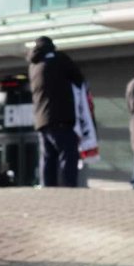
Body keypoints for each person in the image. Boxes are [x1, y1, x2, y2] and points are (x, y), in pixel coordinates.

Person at [28, 35, 88, 188]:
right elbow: (78, 78)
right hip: (60, 117)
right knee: (68, 154)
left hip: (41, 120)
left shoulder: (33, 66)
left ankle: (49, 189)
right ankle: (69, 189)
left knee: (48, 157)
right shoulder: (59, 59)